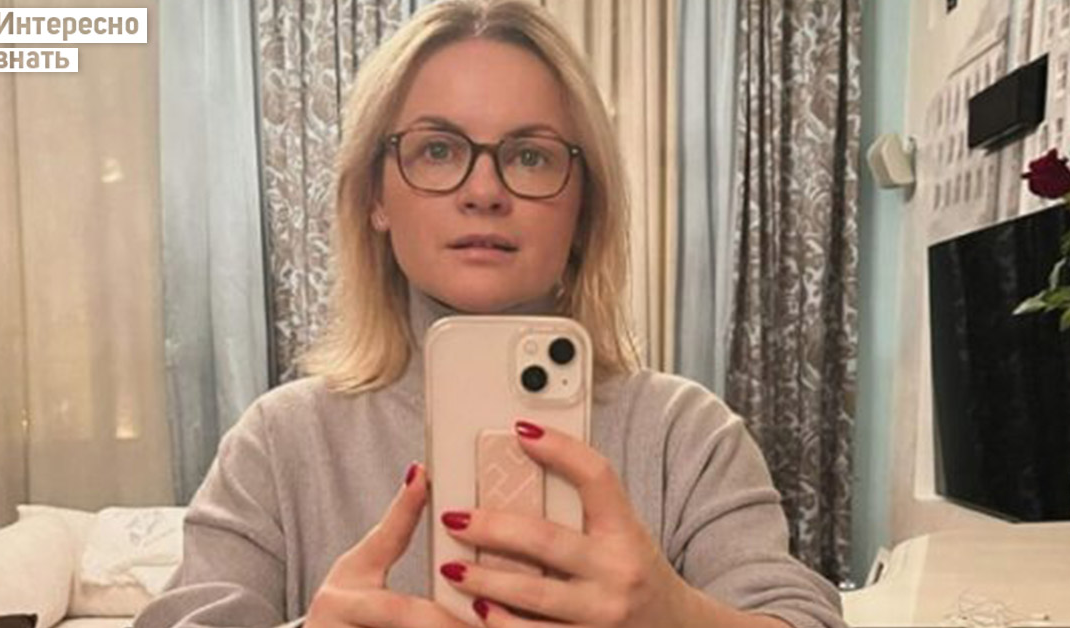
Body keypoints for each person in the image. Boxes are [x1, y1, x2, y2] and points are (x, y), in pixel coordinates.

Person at [135, 2, 845, 627]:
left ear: (583, 207)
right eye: (438, 150)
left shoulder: (684, 436)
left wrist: (677, 620)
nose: (483, 190)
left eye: (530, 156)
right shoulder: (280, 442)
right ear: (375, 197)